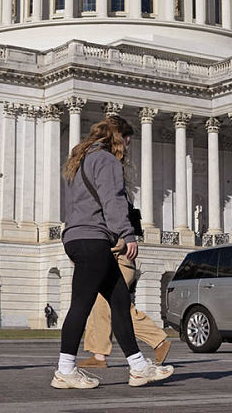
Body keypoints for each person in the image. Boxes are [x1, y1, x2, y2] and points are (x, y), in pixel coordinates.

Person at [52, 114, 173, 390]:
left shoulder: (79, 161)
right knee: (81, 304)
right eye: (127, 143)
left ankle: (139, 367)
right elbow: (113, 200)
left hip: (78, 235)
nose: (126, 150)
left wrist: (71, 239)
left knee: (118, 302)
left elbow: (74, 205)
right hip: (94, 237)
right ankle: (65, 369)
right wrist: (127, 234)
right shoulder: (106, 160)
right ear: (119, 138)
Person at [78, 237, 171, 368]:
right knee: (101, 304)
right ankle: (98, 354)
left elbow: (116, 235)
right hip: (112, 259)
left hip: (118, 260)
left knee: (116, 307)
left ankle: (158, 341)